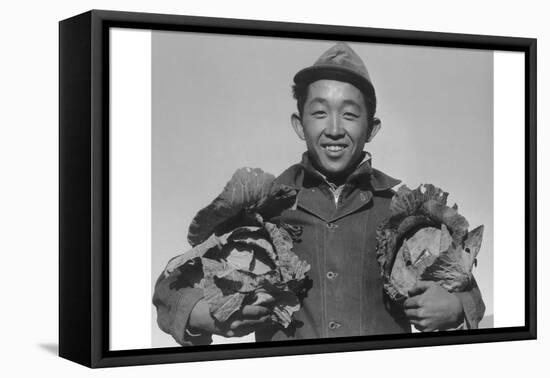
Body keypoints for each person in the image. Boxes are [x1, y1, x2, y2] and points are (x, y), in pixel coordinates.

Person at [153, 42, 485, 345]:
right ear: (299, 124)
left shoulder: (402, 213)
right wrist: (202, 312)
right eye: (320, 112)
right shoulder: (263, 208)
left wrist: (456, 308)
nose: (335, 128)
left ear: (372, 128)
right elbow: (172, 284)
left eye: (351, 114)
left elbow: (467, 292)